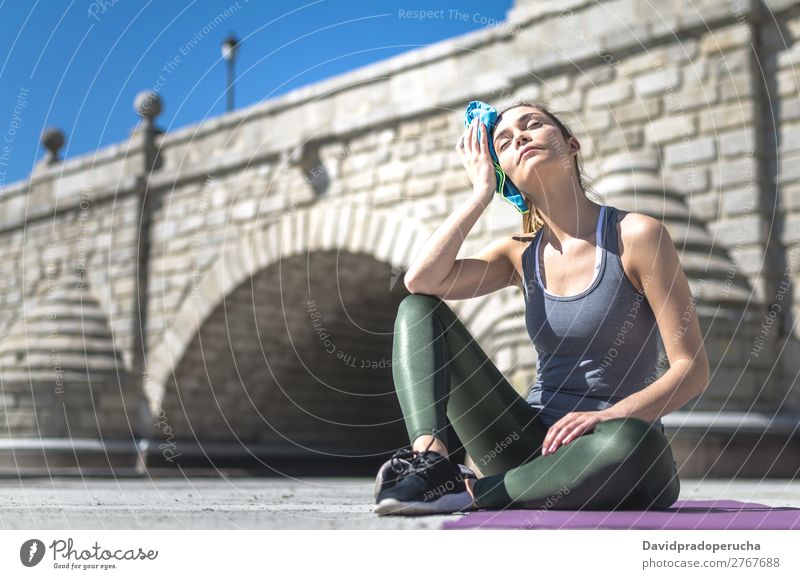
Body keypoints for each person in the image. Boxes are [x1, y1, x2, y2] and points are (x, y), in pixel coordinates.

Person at [373, 100, 710, 516]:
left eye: (532, 125)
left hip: (614, 448)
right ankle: (431, 462)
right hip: (528, 446)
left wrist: (609, 417)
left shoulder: (636, 235)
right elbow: (421, 282)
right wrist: (481, 193)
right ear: (505, 175)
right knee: (417, 309)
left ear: (571, 144)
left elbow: (691, 369)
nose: (520, 138)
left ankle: (478, 492)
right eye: (505, 141)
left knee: (632, 442)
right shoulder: (519, 254)